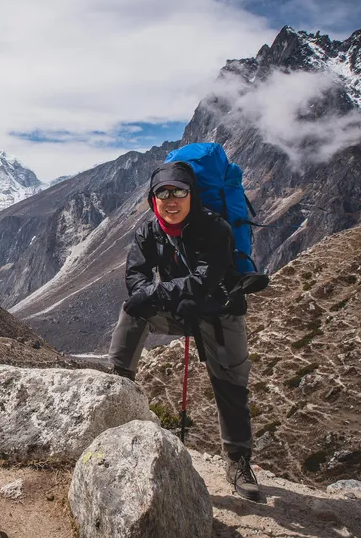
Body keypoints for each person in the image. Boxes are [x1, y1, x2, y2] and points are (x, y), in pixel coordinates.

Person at [108, 160, 261, 502]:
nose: (171, 200)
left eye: (180, 192)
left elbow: (205, 279)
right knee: (132, 310)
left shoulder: (215, 228)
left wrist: (159, 293)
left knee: (231, 384)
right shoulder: (149, 231)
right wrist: (153, 296)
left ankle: (238, 461)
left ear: (193, 196)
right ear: (152, 199)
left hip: (220, 314)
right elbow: (136, 277)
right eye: (163, 193)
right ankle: (117, 391)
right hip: (180, 308)